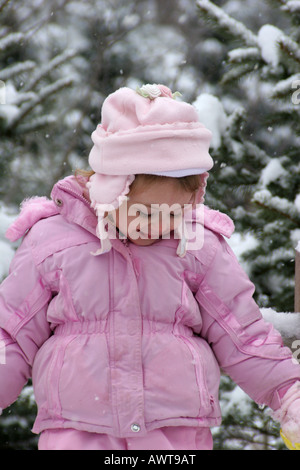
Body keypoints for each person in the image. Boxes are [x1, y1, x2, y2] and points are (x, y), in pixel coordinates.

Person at [1, 83, 300, 451]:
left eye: (173, 213)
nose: (157, 225)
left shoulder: (197, 246)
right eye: (143, 211)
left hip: (174, 430)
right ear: (113, 188)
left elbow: (243, 334)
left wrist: (288, 394)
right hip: (78, 428)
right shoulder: (53, 242)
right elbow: (11, 333)